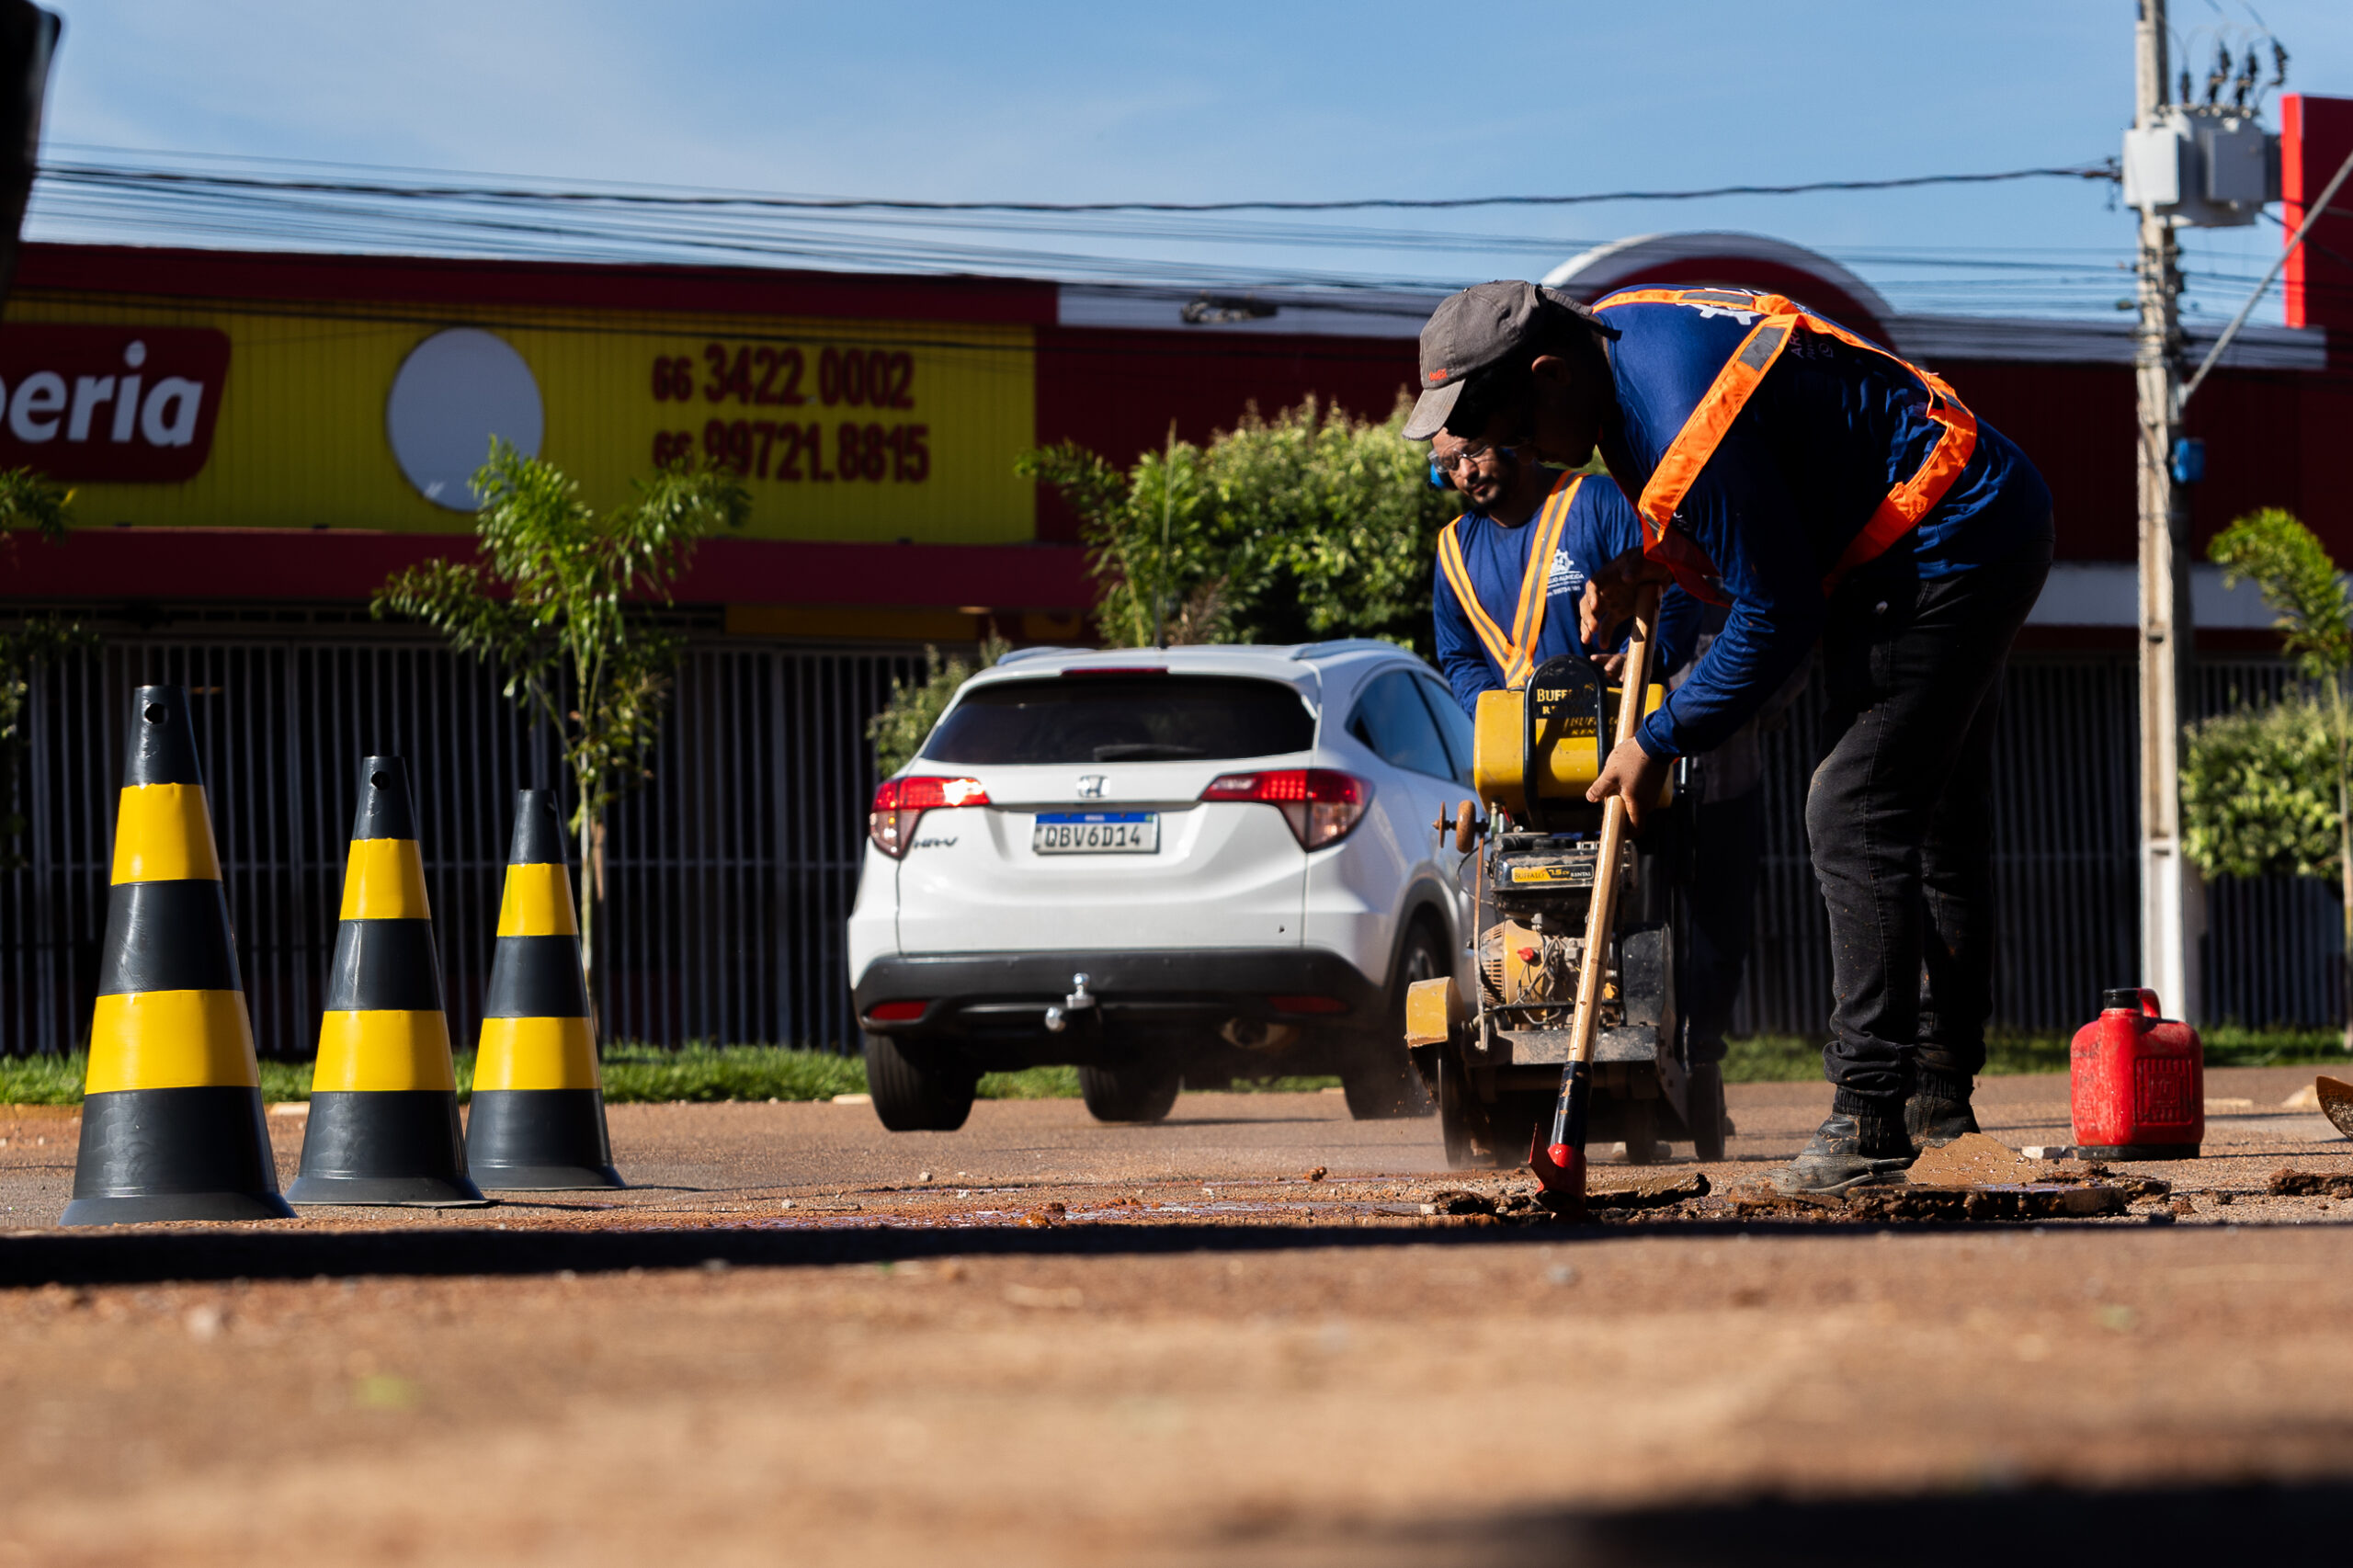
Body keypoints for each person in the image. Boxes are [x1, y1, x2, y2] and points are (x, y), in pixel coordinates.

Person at [1404, 280, 2052, 1194]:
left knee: (1853, 804)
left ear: (1546, 376)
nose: (1498, 455)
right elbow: (1760, 515)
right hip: (1934, 516)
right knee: (1926, 815)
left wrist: (1658, 736)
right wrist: (1647, 566)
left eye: (1499, 430)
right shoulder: (1618, 339)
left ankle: (1872, 1113)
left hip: (1947, 531)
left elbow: (1774, 612)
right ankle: (1933, 1105)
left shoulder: (1671, 419)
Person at [1427, 431, 1699, 717]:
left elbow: (1676, 592)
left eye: (1475, 449)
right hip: (1527, 751)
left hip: (1625, 734)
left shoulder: (1600, 502)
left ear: (1507, 439)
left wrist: (1638, 662)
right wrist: (1497, 717)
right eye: (1451, 462)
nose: (1467, 471)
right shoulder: (1453, 548)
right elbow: (1461, 657)